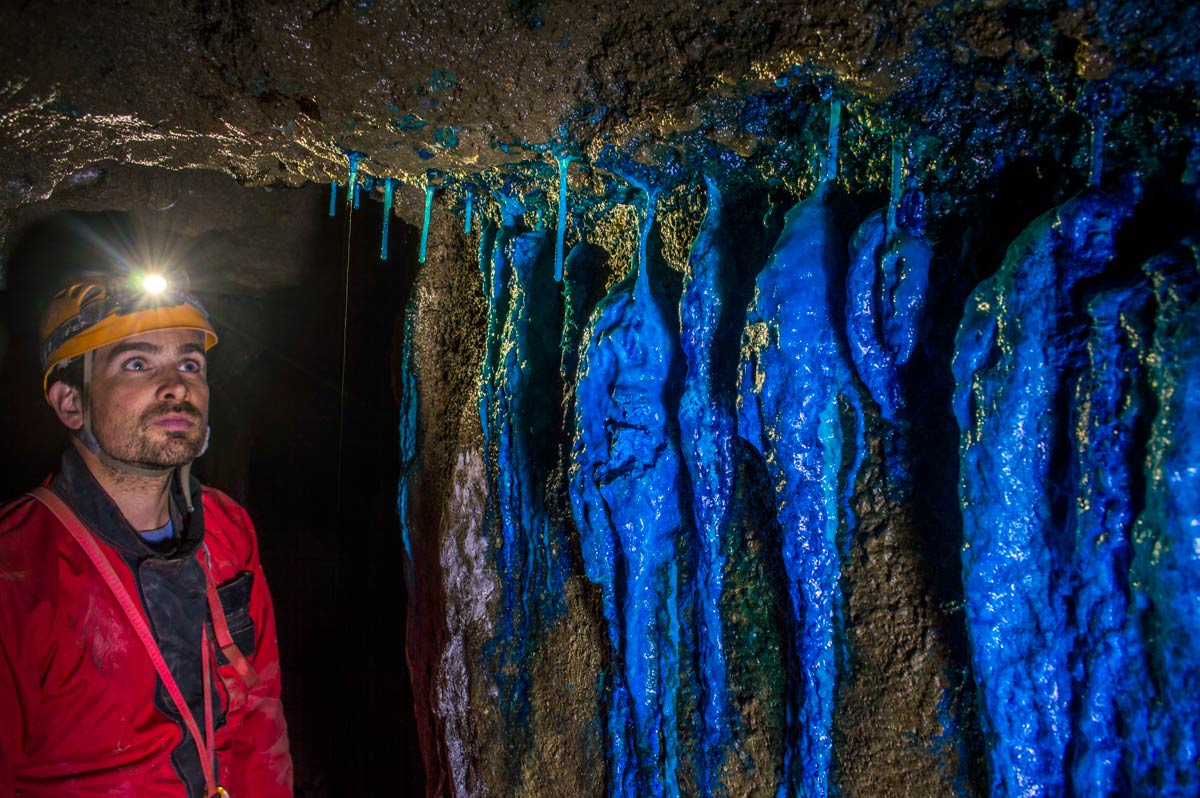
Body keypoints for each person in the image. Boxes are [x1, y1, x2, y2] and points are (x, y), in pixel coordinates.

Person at [0, 271, 292, 797]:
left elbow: (258, 720)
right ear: (71, 403)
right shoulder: (18, 567)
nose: (177, 385)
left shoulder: (227, 530)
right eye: (137, 363)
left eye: (189, 363)